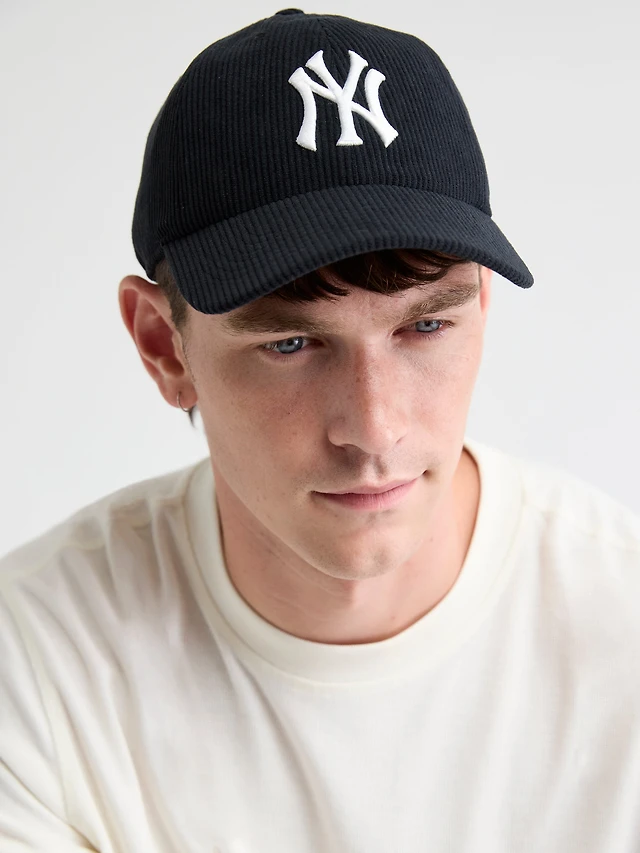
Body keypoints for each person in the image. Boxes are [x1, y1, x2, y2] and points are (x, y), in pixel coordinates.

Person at [1, 9, 640, 852]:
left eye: (425, 327)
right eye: (291, 344)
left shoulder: (623, 623)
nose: (374, 428)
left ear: (483, 306)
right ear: (163, 345)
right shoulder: (36, 666)